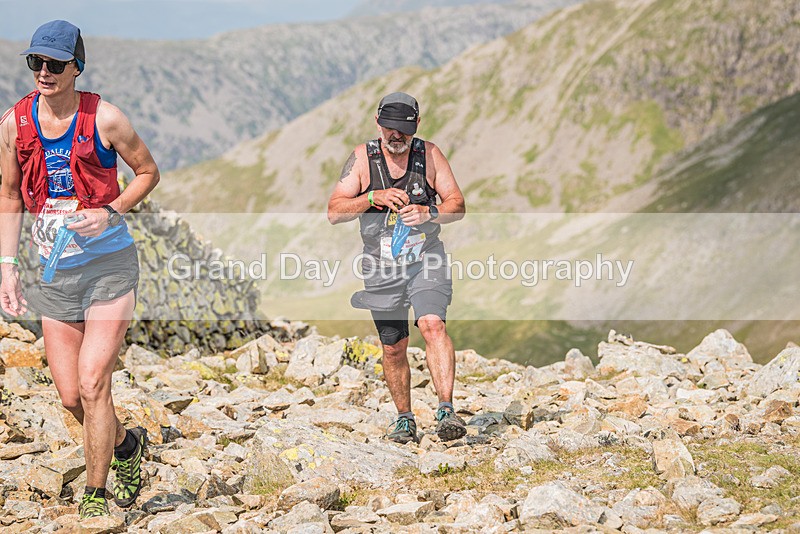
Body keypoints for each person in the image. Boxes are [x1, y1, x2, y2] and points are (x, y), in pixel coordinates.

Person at [0, 21, 159, 519]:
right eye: (35, 63)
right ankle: (128, 444)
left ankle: (94, 495)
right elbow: (8, 194)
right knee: (71, 396)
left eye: (54, 65)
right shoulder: (13, 124)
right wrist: (7, 266)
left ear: (77, 67)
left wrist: (110, 210)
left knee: (94, 384)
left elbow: (149, 173)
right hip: (54, 272)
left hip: (109, 266)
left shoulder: (105, 118)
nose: (43, 73)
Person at [328, 92, 466, 444]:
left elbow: (458, 204)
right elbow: (334, 212)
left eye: (403, 130)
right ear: (378, 124)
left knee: (432, 325)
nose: (396, 136)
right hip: (380, 266)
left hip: (426, 258)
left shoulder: (430, 155)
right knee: (393, 347)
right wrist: (372, 198)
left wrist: (429, 212)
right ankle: (405, 418)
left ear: (415, 126)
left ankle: (446, 410)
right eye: (390, 129)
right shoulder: (362, 159)